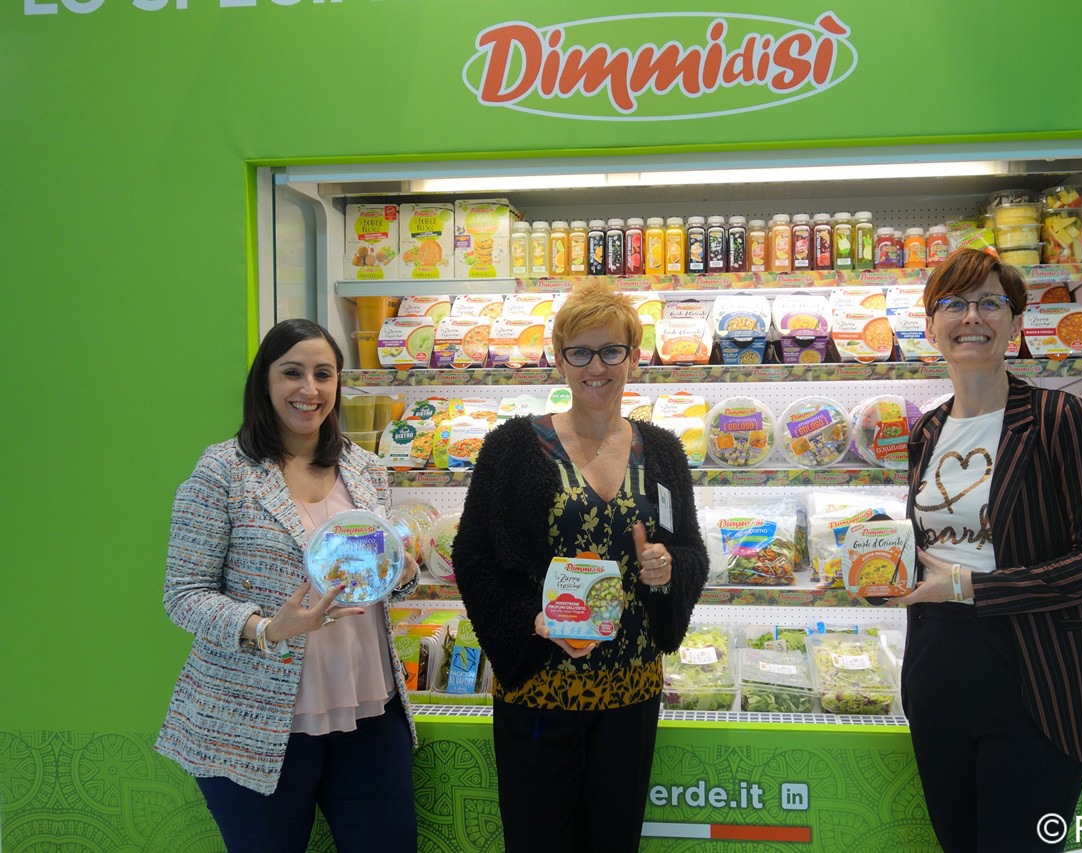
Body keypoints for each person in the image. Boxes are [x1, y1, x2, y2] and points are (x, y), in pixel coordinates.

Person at [452, 279, 709, 852]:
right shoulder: (513, 447)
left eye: (612, 351)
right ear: (559, 358)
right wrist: (530, 621)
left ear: (634, 357)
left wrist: (670, 567)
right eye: (581, 352)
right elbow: (473, 556)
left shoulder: (662, 450)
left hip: (632, 692)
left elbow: (691, 549)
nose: (597, 367)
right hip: (540, 690)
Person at [156, 318, 420, 853]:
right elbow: (183, 594)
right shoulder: (223, 472)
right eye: (292, 373)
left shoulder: (366, 469)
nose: (310, 389)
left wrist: (401, 573)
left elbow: (372, 580)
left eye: (324, 374)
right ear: (265, 381)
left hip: (369, 710)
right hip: (255, 721)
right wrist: (266, 628)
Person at [898, 248, 1082, 853]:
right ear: (931, 326)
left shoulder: (1058, 417)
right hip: (937, 667)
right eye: (953, 303)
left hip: (1035, 675)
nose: (971, 316)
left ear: (1016, 323)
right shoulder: (927, 429)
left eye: (990, 303)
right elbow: (928, 546)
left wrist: (972, 587)